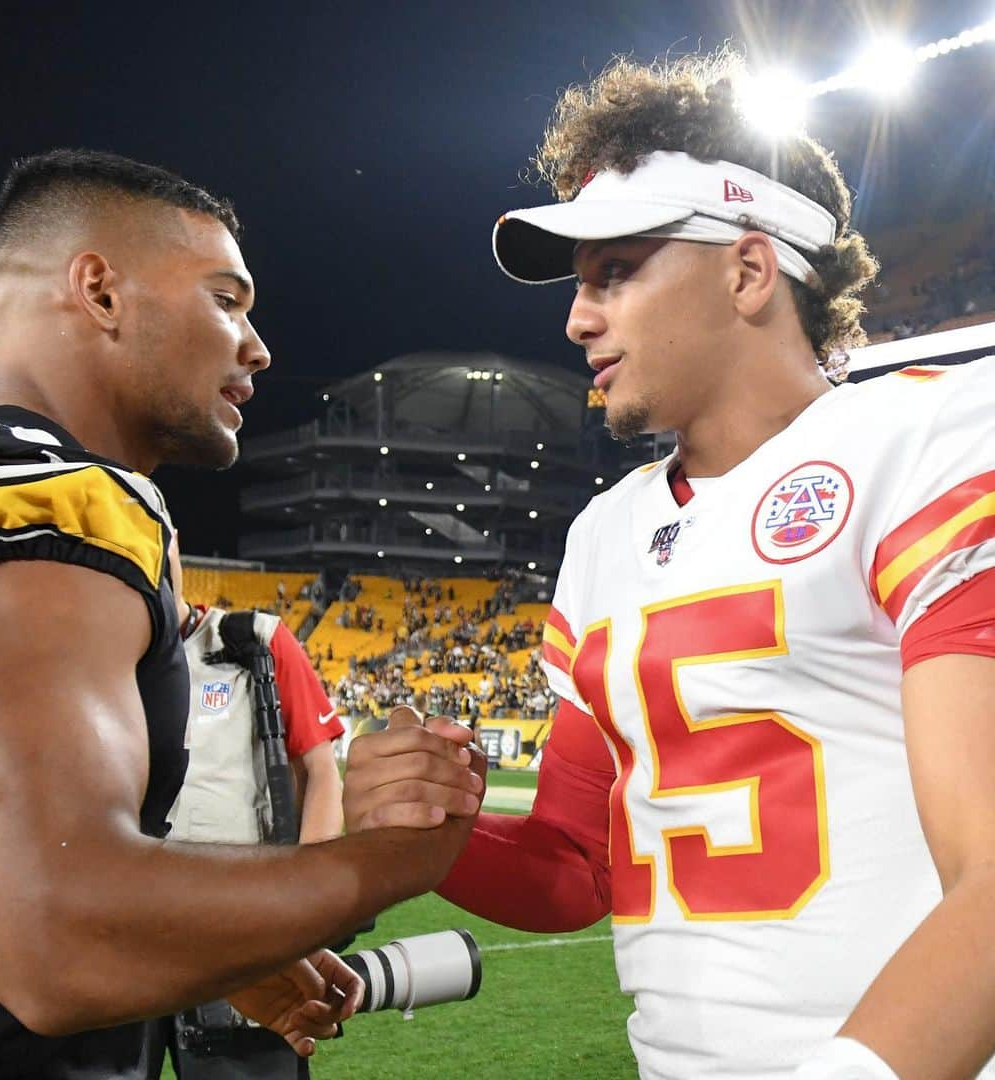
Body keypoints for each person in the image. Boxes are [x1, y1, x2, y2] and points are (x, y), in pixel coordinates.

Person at [342, 51, 995, 1080]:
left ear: (747, 271)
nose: (578, 318)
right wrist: (429, 826)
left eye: (618, 271)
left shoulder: (930, 437)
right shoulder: (606, 533)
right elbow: (573, 866)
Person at [0, 148, 484, 1079]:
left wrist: (193, 959)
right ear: (99, 291)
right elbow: (58, 936)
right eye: (227, 300)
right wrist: (391, 857)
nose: (257, 347)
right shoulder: (54, 505)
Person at [147, 540, 345, 1079]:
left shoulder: (254, 643)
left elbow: (323, 772)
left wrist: (308, 902)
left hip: (242, 940)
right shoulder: (95, 666)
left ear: (174, 557)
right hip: (129, 946)